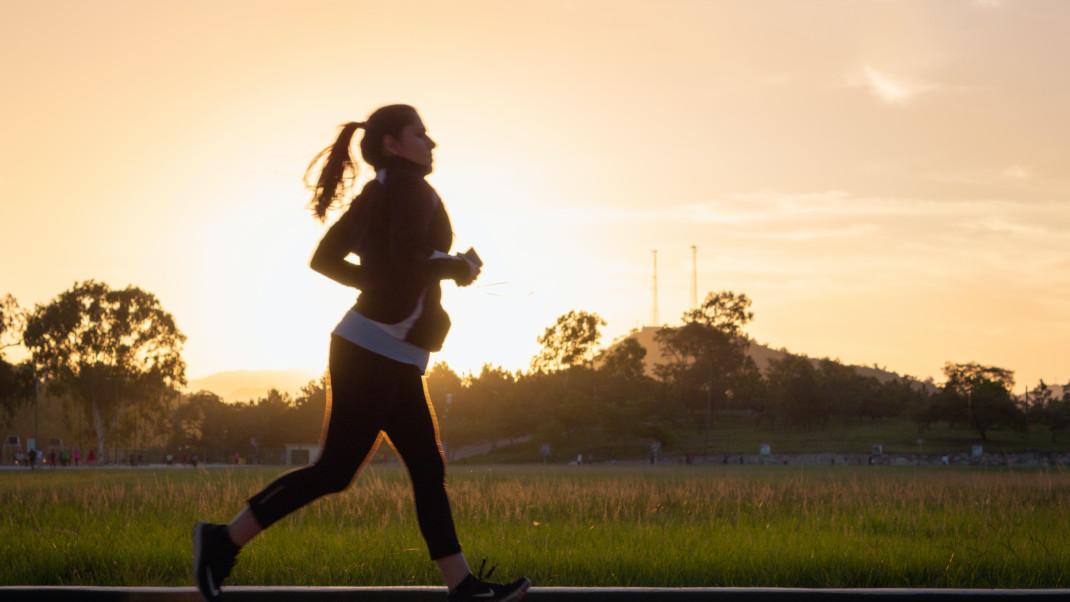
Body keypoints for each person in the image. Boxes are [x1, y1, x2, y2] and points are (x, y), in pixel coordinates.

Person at [192, 105, 529, 602]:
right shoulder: (408, 192)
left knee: (420, 466)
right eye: (421, 134)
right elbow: (406, 259)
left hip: (383, 351)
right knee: (340, 470)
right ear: (393, 143)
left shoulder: (380, 193)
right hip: (374, 352)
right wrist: (452, 265)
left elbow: (328, 259)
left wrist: (386, 282)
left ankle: (461, 584)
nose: (431, 143)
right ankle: (221, 539)